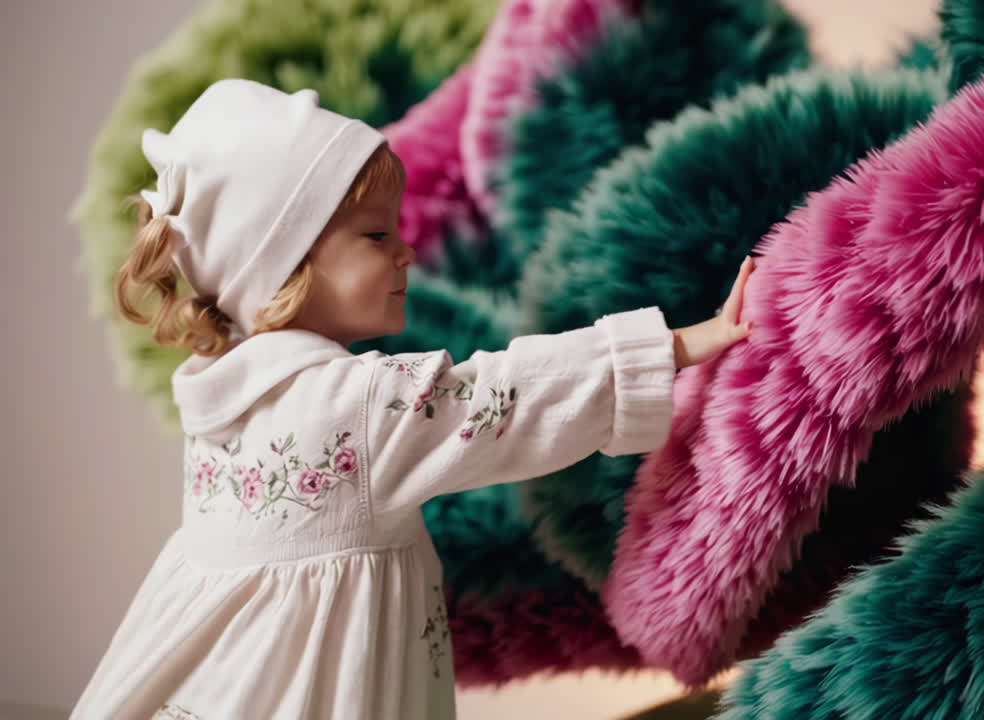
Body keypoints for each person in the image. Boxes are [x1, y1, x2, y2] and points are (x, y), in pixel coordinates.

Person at [71, 78, 754, 719]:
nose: (406, 252)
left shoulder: (220, 389)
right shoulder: (360, 405)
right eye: (375, 235)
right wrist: (682, 344)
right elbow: (511, 393)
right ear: (284, 262)